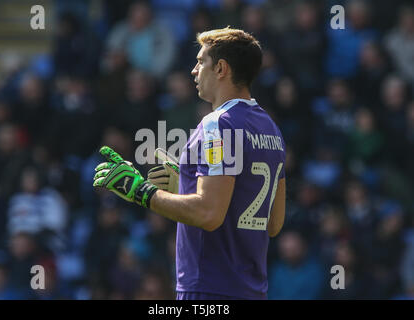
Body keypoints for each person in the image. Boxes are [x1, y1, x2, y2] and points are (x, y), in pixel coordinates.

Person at [93, 27, 286, 300]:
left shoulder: (218, 125)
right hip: (252, 291)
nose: (194, 71)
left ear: (220, 68)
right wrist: (186, 187)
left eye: (200, 62)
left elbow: (209, 214)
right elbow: (274, 222)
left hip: (209, 289)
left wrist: (139, 191)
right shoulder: (270, 129)